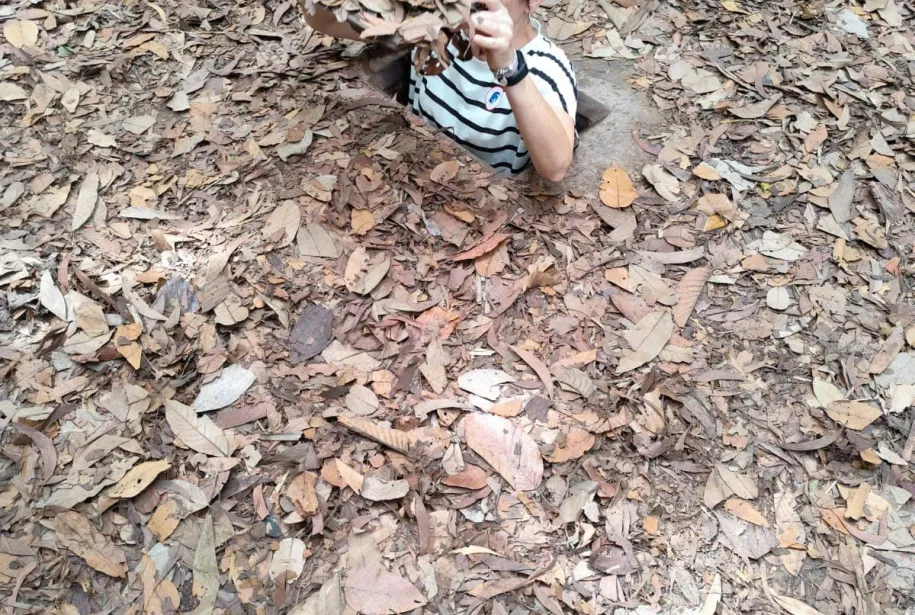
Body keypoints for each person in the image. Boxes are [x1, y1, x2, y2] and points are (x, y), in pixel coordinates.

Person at [305, 0, 577, 181]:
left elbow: (555, 166)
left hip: (484, 200)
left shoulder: (548, 67)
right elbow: (320, 20)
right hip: (410, 168)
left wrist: (509, 68)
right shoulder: (435, 28)